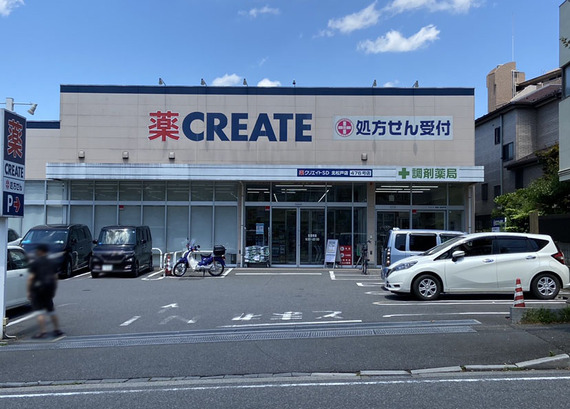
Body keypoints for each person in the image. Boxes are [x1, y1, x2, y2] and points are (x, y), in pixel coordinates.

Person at [27, 243, 64, 339]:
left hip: (37, 290)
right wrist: (54, 289)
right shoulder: (52, 262)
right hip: (48, 289)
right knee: (51, 310)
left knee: (39, 311)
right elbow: (55, 277)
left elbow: (31, 278)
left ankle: (43, 332)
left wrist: (29, 291)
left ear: (40, 251)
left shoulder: (35, 263)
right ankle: (57, 329)